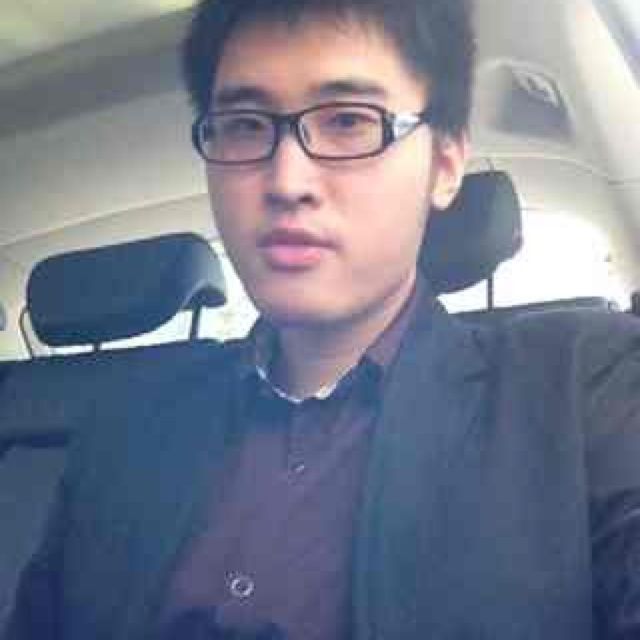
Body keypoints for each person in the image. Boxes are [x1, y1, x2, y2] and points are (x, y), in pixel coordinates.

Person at [4, 0, 640, 638]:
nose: (287, 180)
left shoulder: (584, 389)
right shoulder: (126, 431)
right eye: (245, 125)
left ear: (446, 163)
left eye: (348, 121)